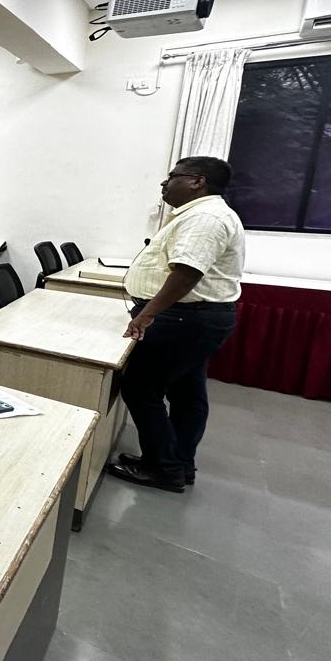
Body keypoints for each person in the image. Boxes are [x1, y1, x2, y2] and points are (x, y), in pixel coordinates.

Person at [106, 157, 244, 493]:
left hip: (186, 318)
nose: (165, 184)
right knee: (187, 392)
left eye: (172, 177)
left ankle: (164, 469)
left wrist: (147, 313)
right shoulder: (202, 214)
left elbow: (186, 274)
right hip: (194, 317)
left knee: (140, 388)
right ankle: (179, 463)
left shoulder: (206, 217)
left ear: (197, 181)